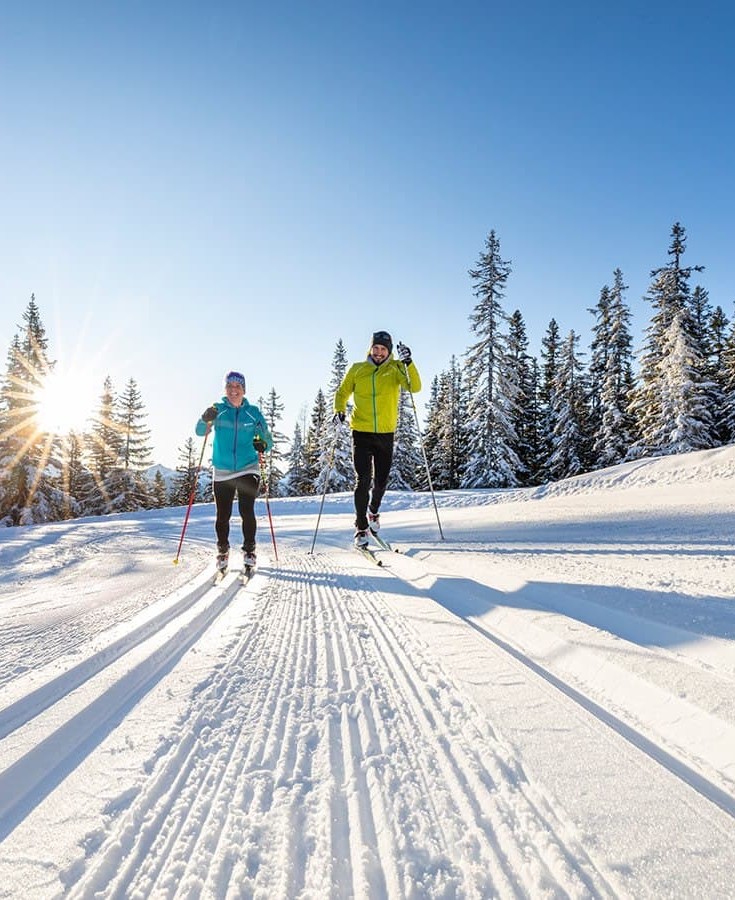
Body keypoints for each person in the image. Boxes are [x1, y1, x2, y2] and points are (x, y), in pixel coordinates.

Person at [333, 331, 421, 548]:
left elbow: (415, 387)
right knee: (362, 480)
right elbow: (342, 392)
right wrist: (339, 410)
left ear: (388, 351)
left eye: (383, 349)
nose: (379, 352)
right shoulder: (358, 369)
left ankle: (373, 512)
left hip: (385, 433)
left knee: (381, 481)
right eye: (376, 348)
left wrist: (409, 363)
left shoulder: (396, 369)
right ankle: (361, 526)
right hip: (361, 432)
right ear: (370, 349)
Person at [195, 371, 273, 571]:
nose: (233, 390)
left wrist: (262, 443)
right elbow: (200, 431)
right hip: (222, 469)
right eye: (229, 386)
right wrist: (205, 418)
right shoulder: (217, 409)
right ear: (225, 389)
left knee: (246, 510)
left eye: (237, 386)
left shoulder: (253, 412)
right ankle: (222, 551)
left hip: (248, 467)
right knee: (223, 514)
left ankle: (249, 550)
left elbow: (266, 439)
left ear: (243, 389)